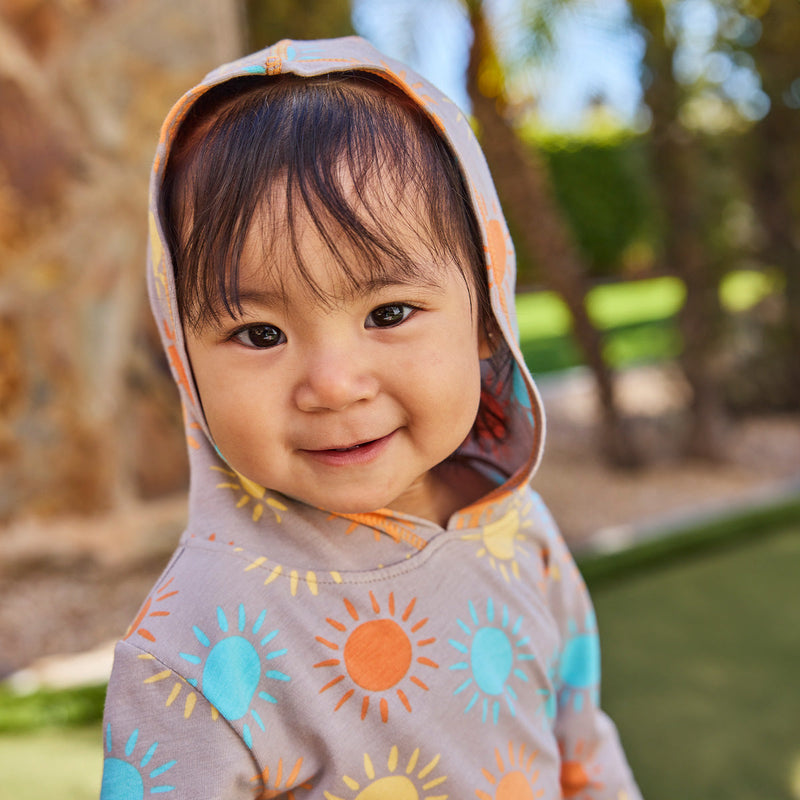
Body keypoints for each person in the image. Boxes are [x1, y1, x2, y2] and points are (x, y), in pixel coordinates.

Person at [100, 36, 642, 799]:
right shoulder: (192, 650)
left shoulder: (523, 535)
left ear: (486, 315)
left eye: (388, 312)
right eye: (260, 334)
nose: (333, 384)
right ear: (184, 355)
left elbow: (583, 750)